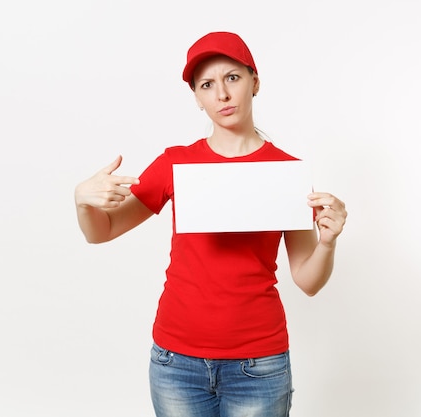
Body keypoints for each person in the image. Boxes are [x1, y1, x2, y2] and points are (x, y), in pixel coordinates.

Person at [74, 31, 347, 417]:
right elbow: (101, 231)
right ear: (198, 99)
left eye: (232, 78)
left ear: (255, 81)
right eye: (207, 85)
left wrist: (329, 242)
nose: (222, 94)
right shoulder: (175, 163)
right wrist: (82, 201)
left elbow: (308, 280)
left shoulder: (286, 173)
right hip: (176, 362)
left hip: (258, 364)